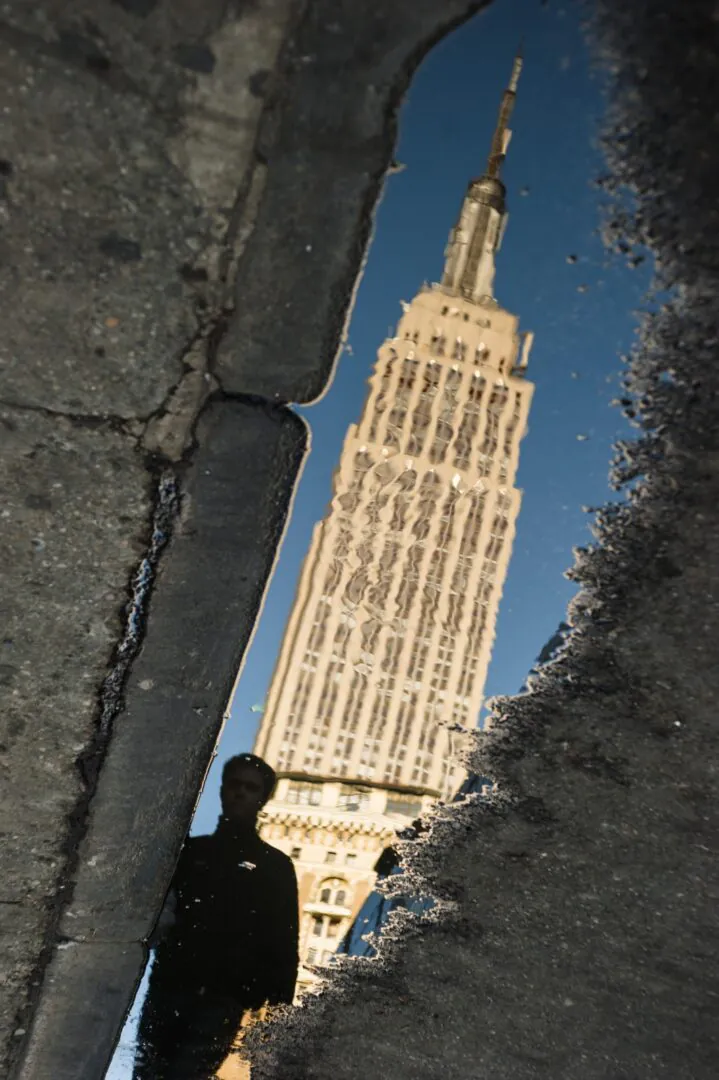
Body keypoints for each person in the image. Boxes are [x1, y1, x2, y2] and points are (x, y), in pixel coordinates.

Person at [132, 754, 299, 1079]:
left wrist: (277, 1022)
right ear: (222, 790)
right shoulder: (191, 852)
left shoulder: (275, 867)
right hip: (170, 987)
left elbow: (284, 943)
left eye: (250, 787)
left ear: (262, 798)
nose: (240, 793)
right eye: (234, 784)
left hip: (224, 998)